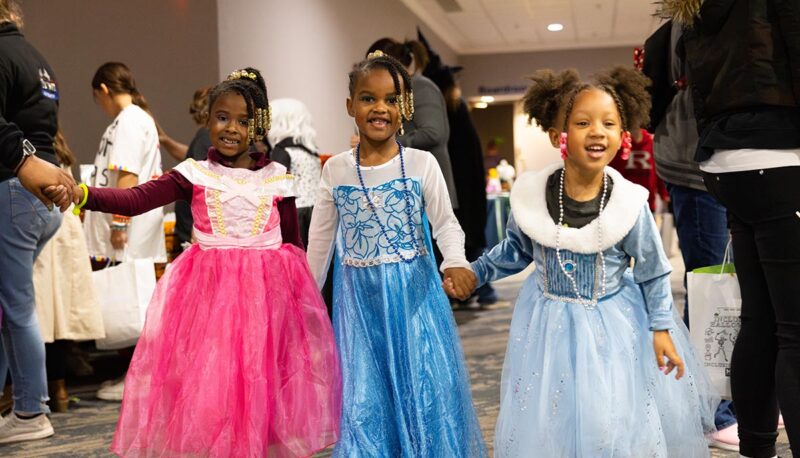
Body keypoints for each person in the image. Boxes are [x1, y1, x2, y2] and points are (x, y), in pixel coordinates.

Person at [52, 68, 341, 457]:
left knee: (260, 387)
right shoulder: (195, 174)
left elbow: (293, 244)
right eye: (222, 117)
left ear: (258, 125)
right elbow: (136, 198)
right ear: (208, 120)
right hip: (210, 306)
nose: (231, 129)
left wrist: (301, 312)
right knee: (213, 387)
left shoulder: (278, 179)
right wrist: (84, 194)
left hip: (264, 307)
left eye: (243, 121)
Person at [446, 67, 718, 456]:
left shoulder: (628, 203)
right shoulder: (535, 194)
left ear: (622, 136)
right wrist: (477, 271)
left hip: (613, 326)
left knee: (611, 414)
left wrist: (660, 327)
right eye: (583, 122)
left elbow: (653, 270)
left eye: (609, 123)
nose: (597, 131)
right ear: (560, 135)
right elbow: (515, 249)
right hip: (547, 325)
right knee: (551, 410)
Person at [305, 52, 485, 456]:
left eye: (390, 100)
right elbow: (319, 244)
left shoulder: (421, 164)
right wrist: (305, 299)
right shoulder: (335, 170)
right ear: (350, 106)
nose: (379, 108)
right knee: (364, 395)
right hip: (359, 305)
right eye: (368, 99)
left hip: (415, 297)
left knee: (422, 389)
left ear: (404, 107)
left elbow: (445, 223)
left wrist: (455, 261)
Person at [661, 0, 800, 456]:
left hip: (726, 164)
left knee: (758, 322)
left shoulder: (698, 9)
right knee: (794, 331)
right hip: (779, 156)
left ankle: (756, 449)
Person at [643, 19, 739, 451]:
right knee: (710, 291)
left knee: (730, 288)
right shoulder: (692, 18)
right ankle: (710, 413)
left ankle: (730, 401)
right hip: (697, 169)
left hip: (724, 164)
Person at [0, 0, 66, 443]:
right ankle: (24, 409)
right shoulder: (34, 57)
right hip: (43, 197)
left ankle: (29, 413)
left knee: (16, 307)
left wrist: (22, 162)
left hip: (15, 190)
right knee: (8, 308)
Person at [82, 62, 167, 402]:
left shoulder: (130, 122)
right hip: (133, 227)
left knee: (133, 299)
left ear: (103, 90)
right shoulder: (134, 120)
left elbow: (126, 176)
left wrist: (119, 222)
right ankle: (134, 373)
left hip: (129, 229)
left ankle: (140, 375)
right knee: (134, 298)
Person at [366, 38, 459, 208]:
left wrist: (383, 144)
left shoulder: (420, 87)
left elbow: (433, 132)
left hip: (426, 193)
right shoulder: (398, 92)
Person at [267, 98, 321, 247]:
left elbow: (276, 190)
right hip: (316, 214)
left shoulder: (282, 152)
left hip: (295, 217)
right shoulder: (311, 151)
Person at [168, 87, 213, 251]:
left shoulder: (204, 136)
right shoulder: (206, 139)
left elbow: (204, 182)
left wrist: (199, 223)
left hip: (195, 229)